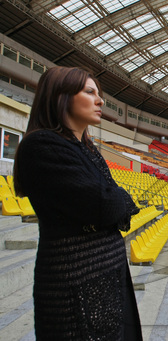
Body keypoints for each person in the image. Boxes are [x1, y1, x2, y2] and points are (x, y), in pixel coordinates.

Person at [13, 67, 143, 340]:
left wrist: (116, 200)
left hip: (103, 283)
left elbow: (110, 200)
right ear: (61, 96)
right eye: (89, 92)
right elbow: (107, 204)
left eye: (99, 93)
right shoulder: (42, 145)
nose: (101, 101)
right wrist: (119, 199)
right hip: (75, 287)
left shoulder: (85, 149)